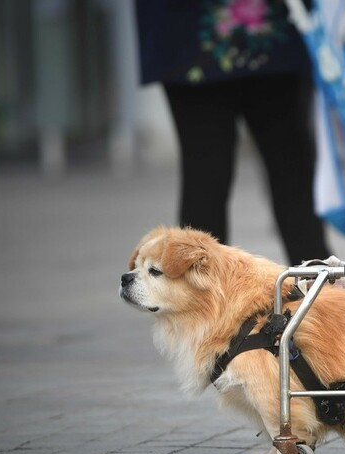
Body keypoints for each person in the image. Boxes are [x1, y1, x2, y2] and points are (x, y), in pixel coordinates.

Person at [134, 0, 331, 265]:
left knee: (282, 171)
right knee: (217, 175)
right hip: (216, 33)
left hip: (227, 32)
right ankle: (317, 284)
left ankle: (319, 283)